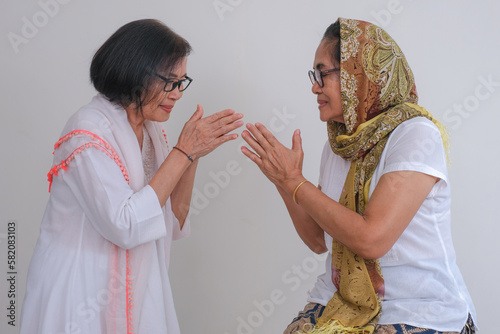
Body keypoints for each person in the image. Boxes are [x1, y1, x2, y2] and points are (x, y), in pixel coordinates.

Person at [241, 18, 477, 334]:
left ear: (359, 74)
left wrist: (294, 182)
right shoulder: (338, 145)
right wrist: (284, 181)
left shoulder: (416, 135)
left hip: (419, 306)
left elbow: (371, 239)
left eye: (322, 73)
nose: (314, 86)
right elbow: (318, 240)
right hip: (342, 297)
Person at [20, 19, 243, 333]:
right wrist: (183, 152)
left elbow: (172, 221)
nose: (178, 93)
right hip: (80, 294)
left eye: (183, 81)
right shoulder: (87, 132)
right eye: (170, 81)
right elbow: (125, 226)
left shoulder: (152, 131)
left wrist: (192, 156)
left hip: (135, 287)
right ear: (135, 71)